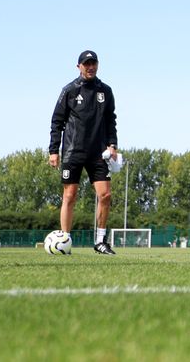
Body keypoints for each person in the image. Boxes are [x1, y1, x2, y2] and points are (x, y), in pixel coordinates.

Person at [49, 51, 120, 254]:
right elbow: (57, 121)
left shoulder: (105, 91)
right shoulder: (70, 90)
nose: (90, 67)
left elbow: (110, 120)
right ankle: (65, 242)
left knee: (105, 195)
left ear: (98, 65)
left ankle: (100, 241)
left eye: (93, 63)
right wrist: (54, 150)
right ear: (78, 66)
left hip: (98, 153)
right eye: (86, 63)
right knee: (69, 196)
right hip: (73, 151)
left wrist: (112, 145)